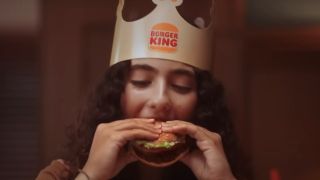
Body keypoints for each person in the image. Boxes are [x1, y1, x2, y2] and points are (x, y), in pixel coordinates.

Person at [36, 0, 245, 179]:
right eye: (141, 81)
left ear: (201, 100)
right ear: (119, 92)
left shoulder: (225, 172)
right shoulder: (60, 174)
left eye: (181, 86)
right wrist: (91, 175)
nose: (161, 100)